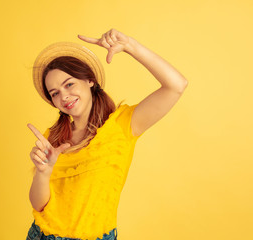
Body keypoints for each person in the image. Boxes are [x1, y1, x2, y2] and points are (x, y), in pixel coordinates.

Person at [26, 28, 188, 240]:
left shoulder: (123, 125)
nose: (64, 96)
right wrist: (43, 172)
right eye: (55, 93)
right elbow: (39, 205)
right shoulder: (53, 137)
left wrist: (130, 46)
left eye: (69, 84)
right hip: (42, 236)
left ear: (90, 80)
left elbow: (176, 85)